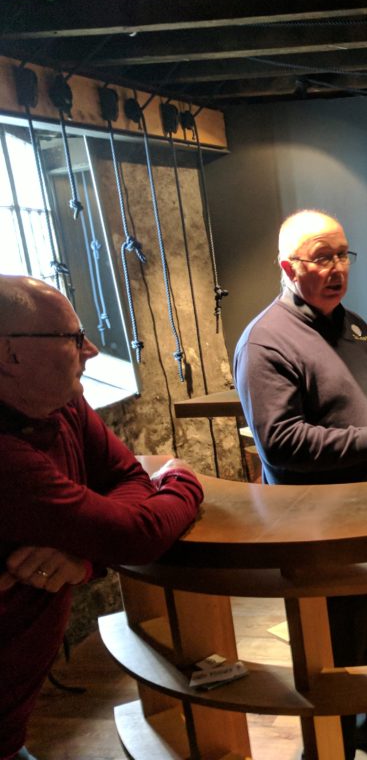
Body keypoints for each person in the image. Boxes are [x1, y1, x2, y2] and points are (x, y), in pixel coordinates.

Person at [233, 210, 367, 758]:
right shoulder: (265, 343)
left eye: (342, 255)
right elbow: (281, 442)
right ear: (287, 266)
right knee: (334, 646)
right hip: (318, 526)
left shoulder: (353, 324)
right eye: (321, 257)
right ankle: (328, 748)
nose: (336, 268)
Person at [0, 276, 203, 760]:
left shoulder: (63, 404)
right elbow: (137, 534)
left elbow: (125, 476)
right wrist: (182, 483)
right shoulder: (8, 459)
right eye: (71, 338)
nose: (89, 348)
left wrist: (84, 557)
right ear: (9, 354)